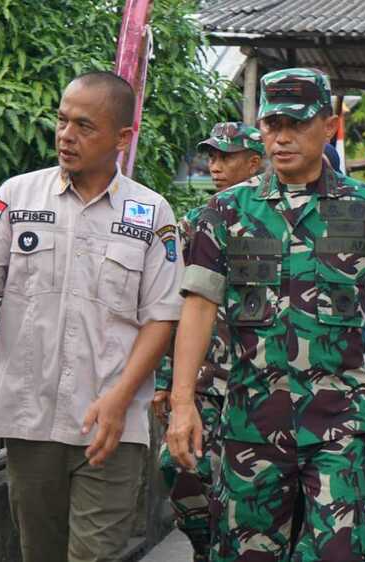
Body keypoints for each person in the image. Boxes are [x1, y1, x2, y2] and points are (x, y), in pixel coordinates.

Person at [0, 71, 184, 562]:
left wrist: (118, 398)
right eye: (62, 120)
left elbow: (161, 318)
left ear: (122, 138)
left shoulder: (151, 213)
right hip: (29, 417)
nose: (66, 135)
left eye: (85, 126)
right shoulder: (17, 197)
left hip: (109, 425)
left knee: (95, 555)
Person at [166, 68, 365, 561]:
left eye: (296, 123)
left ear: (329, 125)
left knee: (340, 552)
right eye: (270, 124)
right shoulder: (223, 214)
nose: (280, 137)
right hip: (249, 426)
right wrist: (182, 404)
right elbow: (197, 309)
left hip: (339, 424)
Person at [151, 122, 265, 560]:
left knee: (246, 483)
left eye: (226, 157)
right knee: (178, 465)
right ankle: (206, 544)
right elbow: (175, 305)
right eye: (211, 157)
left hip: (256, 377)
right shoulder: (196, 225)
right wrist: (167, 379)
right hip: (204, 375)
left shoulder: (281, 221)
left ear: (253, 163)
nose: (214, 167)